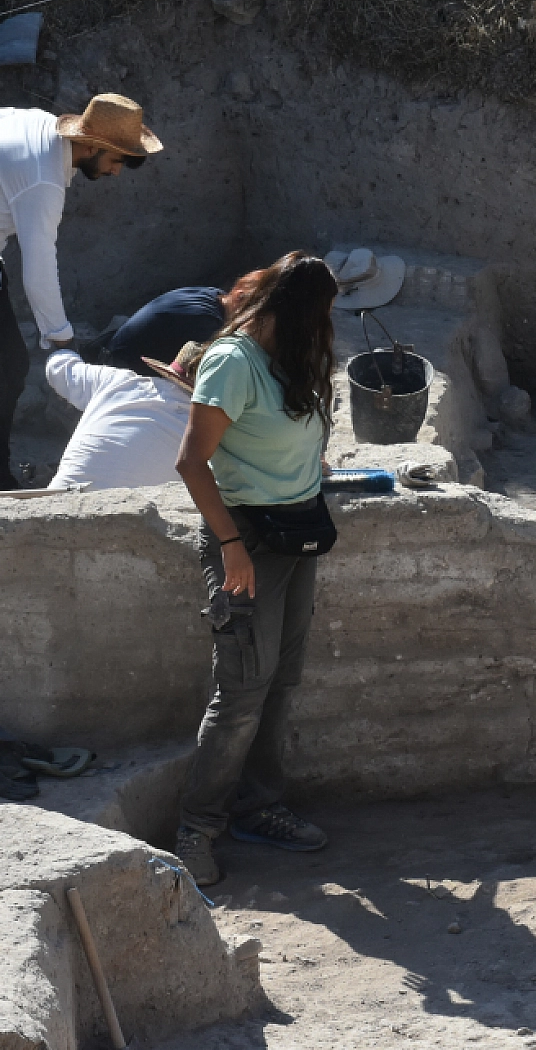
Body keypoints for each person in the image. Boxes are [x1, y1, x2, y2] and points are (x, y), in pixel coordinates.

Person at [172, 252, 340, 886]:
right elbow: (192, 462)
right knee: (241, 690)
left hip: (297, 535)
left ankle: (259, 808)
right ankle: (196, 829)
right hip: (245, 541)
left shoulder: (291, 357)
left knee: (280, 681)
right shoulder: (233, 361)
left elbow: (297, 436)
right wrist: (231, 546)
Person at [0, 94, 162, 490]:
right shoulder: (43, 181)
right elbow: (39, 263)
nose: (116, 173)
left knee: (12, 368)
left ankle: (0, 473)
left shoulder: (38, 123)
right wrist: (60, 338)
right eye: (117, 161)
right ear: (92, 146)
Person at [42, 340, 207, 491]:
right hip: (124, 518)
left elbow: (57, 368)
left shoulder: (117, 381)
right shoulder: (207, 431)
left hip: (54, 505)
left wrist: (64, 346)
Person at [95, 285, 228, 376]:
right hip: (121, 369)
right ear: (239, 296)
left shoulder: (213, 295)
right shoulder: (207, 324)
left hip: (113, 348)